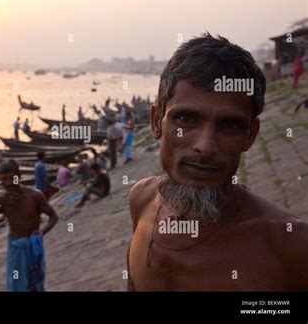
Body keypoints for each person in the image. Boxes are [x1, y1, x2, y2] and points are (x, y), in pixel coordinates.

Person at [127, 33, 308, 291]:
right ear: (157, 122)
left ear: (250, 135)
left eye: (230, 125)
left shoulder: (291, 245)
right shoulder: (141, 200)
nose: (206, 146)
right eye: (186, 119)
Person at [0, 162, 59, 291]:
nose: (8, 182)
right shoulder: (1, 198)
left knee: (37, 281)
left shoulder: (34, 195)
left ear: (19, 177)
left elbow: (54, 216)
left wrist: (42, 231)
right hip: (15, 247)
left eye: (12, 178)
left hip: (33, 246)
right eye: (4, 179)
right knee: (17, 284)